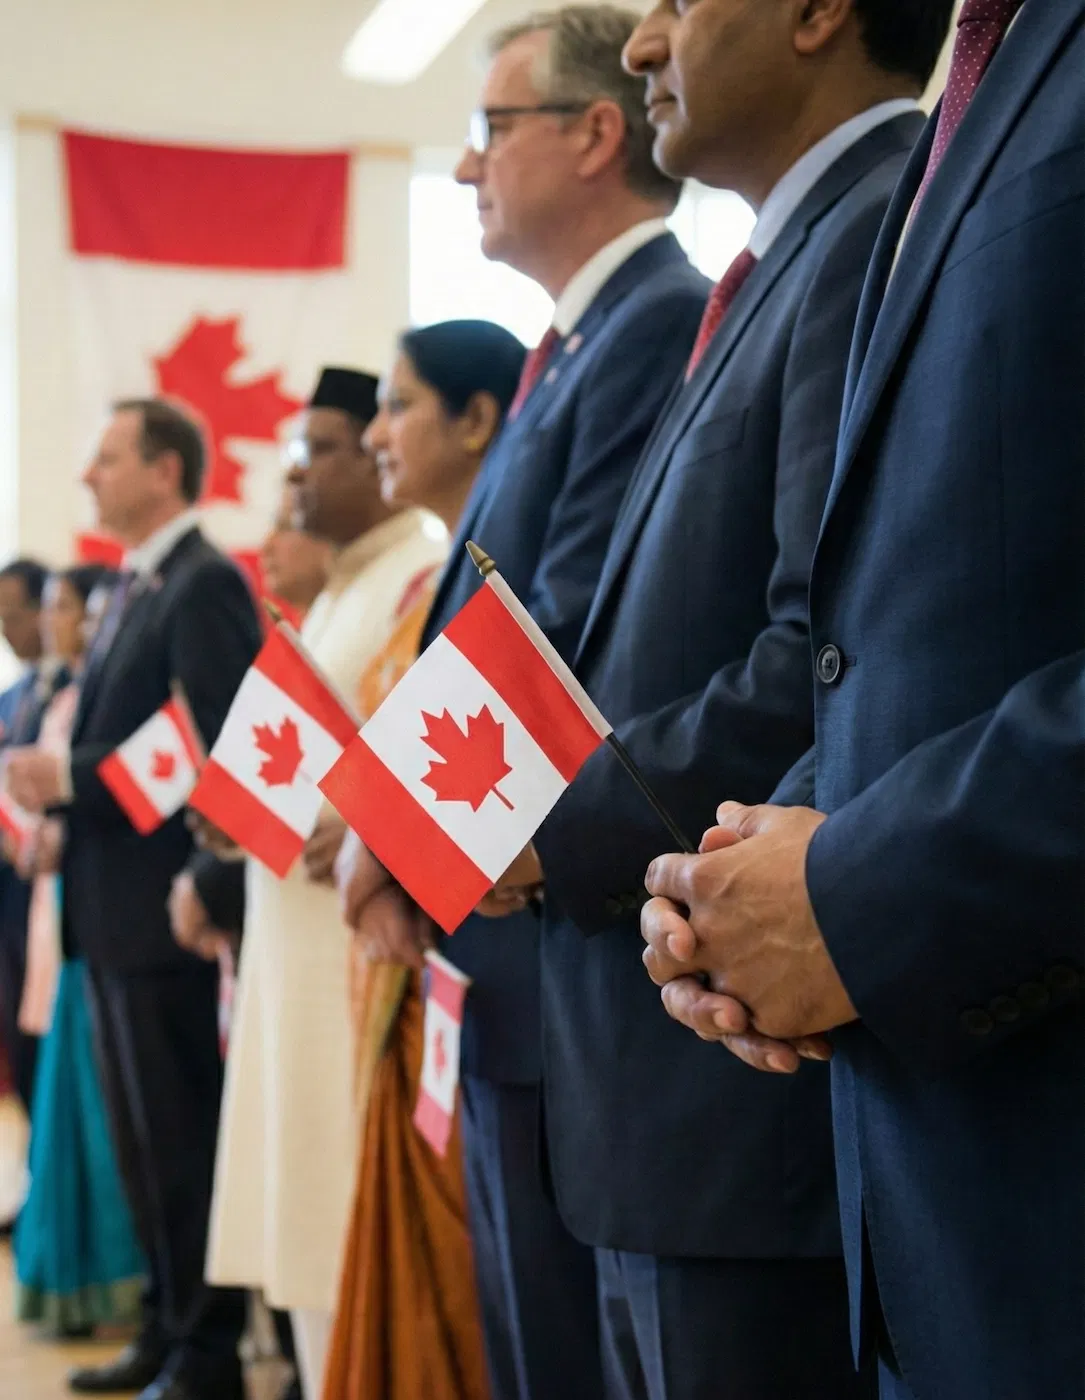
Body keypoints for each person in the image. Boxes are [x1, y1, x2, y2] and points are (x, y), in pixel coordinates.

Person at [480, 1, 954, 1396]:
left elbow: (820, 651)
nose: (641, 47)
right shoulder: (771, 265)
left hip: (737, 1075)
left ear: (815, 15)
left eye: (675, 5)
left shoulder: (876, 224)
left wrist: (546, 828)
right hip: (661, 1071)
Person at [639, 2, 1085, 1399]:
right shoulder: (982, 85)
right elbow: (915, 627)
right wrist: (753, 871)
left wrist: (861, 892)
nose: (643, 40)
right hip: (933, 1183)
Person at [339, 12, 707, 1397]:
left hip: (558, 928)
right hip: (498, 934)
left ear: (593, 133)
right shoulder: (576, 340)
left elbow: (562, 628)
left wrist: (397, 837)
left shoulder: (658, 318)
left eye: (491, 129)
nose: (462, 169)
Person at [5, 398, 262, 1400]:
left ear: (165, 469)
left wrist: (72, 775)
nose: (89, 475)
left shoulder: (200, 582)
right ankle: (165, 1323)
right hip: (109, 909)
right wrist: (74, 812)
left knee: (181, 1140)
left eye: (106, 456)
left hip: (165, 916)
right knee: (143, 1144)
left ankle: (206, 1351)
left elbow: (212, 742)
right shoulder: (134, 583)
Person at [204, 366, 447, 1400]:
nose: (295, 472)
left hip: (354, 964)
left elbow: (411, 774)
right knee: (297, 1222)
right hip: (286, 946)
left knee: (344, 1230)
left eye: (323, 448)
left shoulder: (414, 575)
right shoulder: (341, 583)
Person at [322, 319, 525, 1400]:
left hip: (471, 933)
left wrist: (382, 845)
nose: (377, 432)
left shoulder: (480, 569)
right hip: (404, 950)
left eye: (397, 404)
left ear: (478, 417)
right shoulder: (420, 587)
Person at [13, 563, 148, 1338]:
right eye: (67, 610)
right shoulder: (60, 695)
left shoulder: (88, 699)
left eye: (84, 611)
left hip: (92, 906)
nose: (75, 626)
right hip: (58, 908)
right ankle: (63, 1272)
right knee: (63, 1096)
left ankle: (116, 1280)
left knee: (98, 1109)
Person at [0, 556, 52, 1112]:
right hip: (9, 895)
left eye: (14, 614)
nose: (6, 630)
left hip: (48, 887)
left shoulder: (72, 690)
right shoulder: (10, 701)